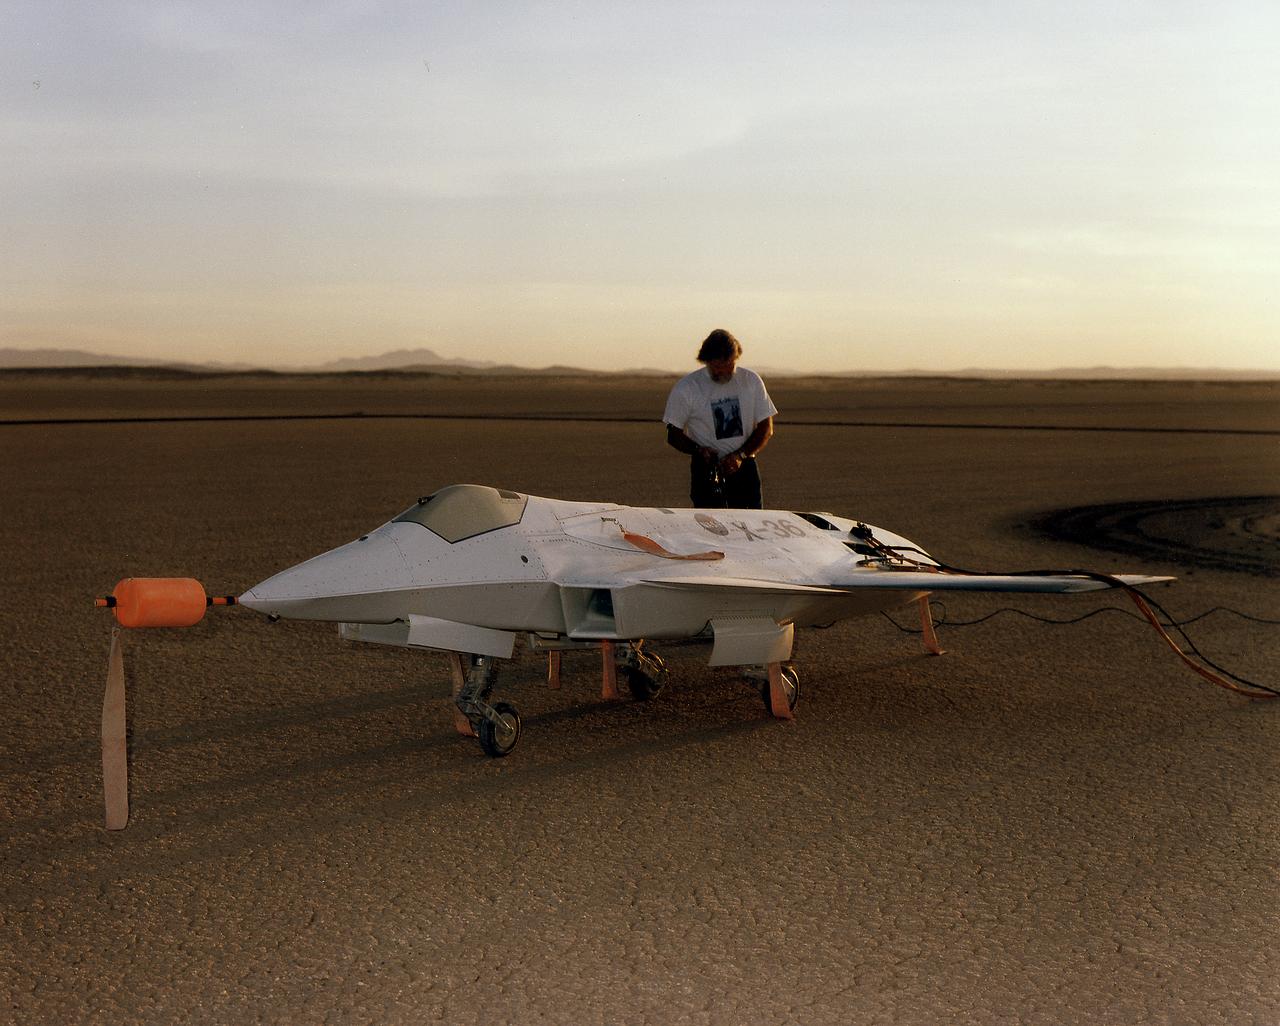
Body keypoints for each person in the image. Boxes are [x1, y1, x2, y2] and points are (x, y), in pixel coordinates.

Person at [663, 328, 777, 509]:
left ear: (736, 358)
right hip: (707, 470)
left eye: (728, 365)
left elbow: (766, 427)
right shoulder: (687, 388)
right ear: (706, 361)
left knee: (751, 528)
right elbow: (673, 433)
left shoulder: (751, 381)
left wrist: (740, 456)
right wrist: (699, 451)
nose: (723, 371)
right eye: (717, 366)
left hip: (744, 468)